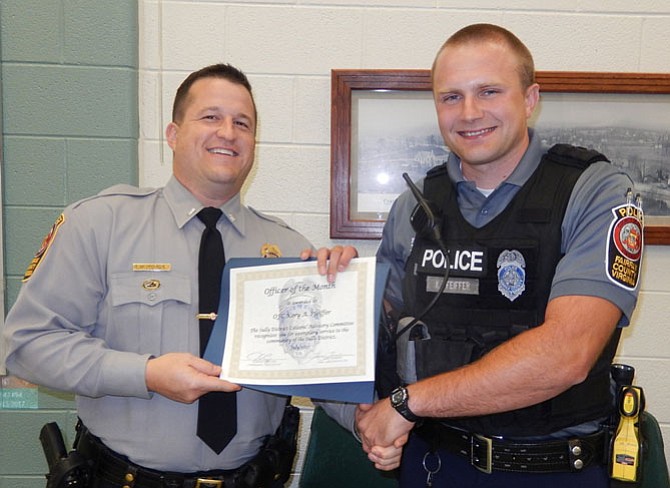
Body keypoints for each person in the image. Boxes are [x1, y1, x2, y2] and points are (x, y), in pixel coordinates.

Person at [2, 63, 397, 488]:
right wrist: (146, 374)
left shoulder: (288, 251)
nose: (227, 132)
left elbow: (317, 376)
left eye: (241, 123)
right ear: (172, 135)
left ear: (253, 144)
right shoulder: (101, 224)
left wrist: (368, 422)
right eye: (211, 117)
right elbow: (27, 345)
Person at [355, 24, 644, 488]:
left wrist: (408, 404)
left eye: (488, 91)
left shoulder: (593, 191)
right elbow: (374, 335)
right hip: (433, 464)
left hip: (550, 470)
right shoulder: (414, 206)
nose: (469, 113)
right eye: (450, 97)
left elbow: (566, 355)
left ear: (530, 99)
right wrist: (329, 285)